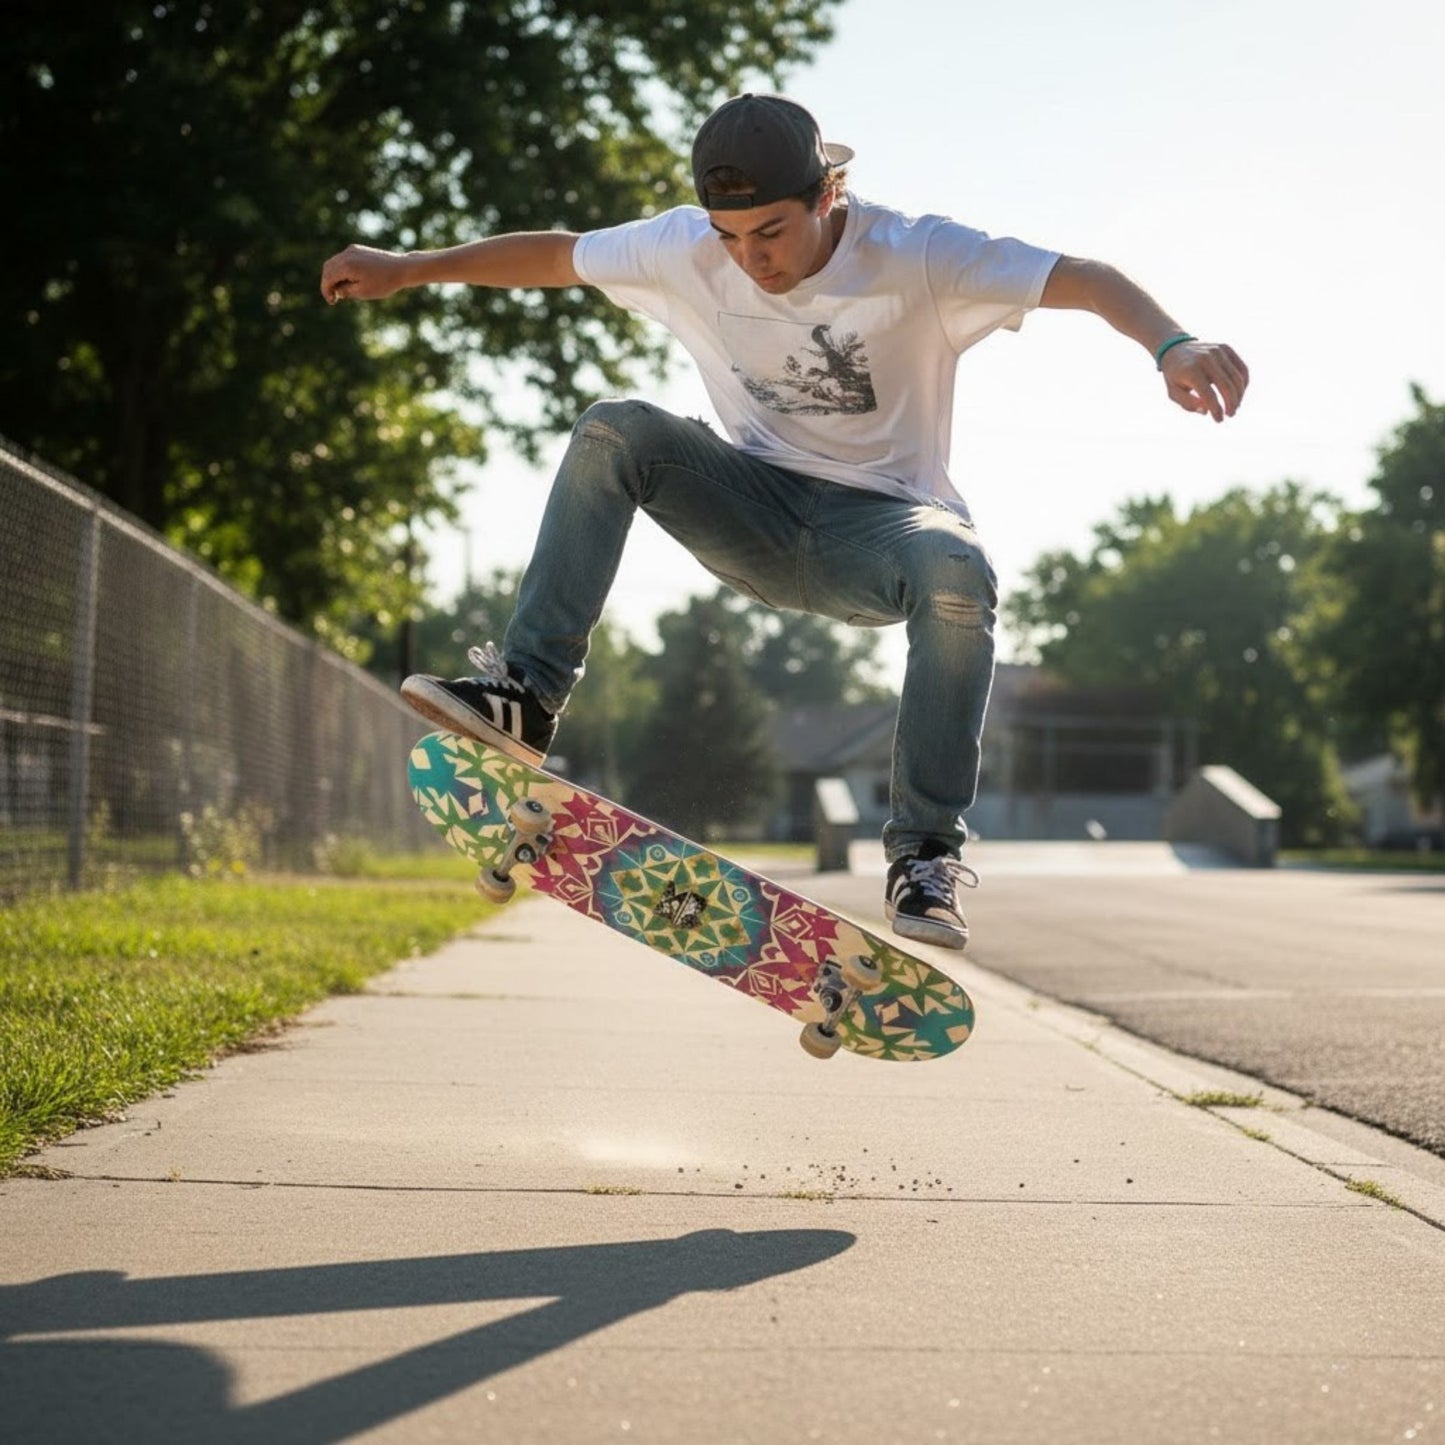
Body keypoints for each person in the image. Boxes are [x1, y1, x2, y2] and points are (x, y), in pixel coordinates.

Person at [320, 93, 1248, 951]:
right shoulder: (682, 248)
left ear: (827, 194)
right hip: (751, 511)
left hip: (879, 534)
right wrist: (410, 269)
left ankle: (924, 855)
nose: (751, 260)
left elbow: (1080, 277)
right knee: (613, 430)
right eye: (729, 238)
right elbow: (557, 255)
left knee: (956, 568)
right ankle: (525, 694)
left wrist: (1171, 343)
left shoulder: (919, 254)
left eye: (770, 231)